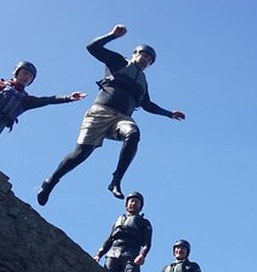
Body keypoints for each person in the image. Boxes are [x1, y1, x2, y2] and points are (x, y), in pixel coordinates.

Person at [37, 24, 186, 206]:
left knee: (133, 134)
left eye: (149, 60)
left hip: (122, 119)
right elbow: (92, 48)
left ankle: (116, 180)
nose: (145, 60)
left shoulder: (143, 82)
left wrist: (169, 114)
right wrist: (112, 35)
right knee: (81, 154)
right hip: (100, 112)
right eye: (143, 55)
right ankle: (50, 181)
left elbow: (147, 105)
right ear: (135, 54)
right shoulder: (119, 62)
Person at [0, 61, 87, 159]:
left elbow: (48, 100)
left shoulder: (25, 100)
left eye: (30, 76)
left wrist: (68, 97)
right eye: (25, 73)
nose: (27, 77)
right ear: (16, 73)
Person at [93, 192, 153, 272]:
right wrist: (99, 255)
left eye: (136, 202)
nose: (133, 204)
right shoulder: (118, 221)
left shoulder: (144, 223)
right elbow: (109, 239)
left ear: (140, 206)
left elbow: (147, 243)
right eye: (131, 201)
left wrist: (142, 255)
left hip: (131, 253)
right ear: (126, 204)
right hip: (113, 252)